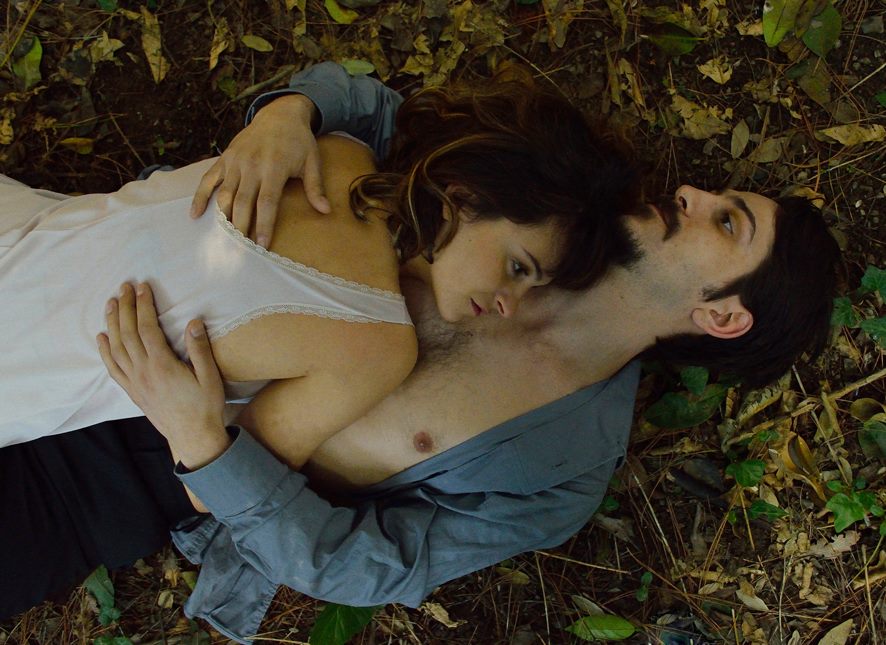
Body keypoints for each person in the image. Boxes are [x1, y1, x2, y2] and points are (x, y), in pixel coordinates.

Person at [0, 63, 840, 645]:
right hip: (132, 295)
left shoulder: (564, 471)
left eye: (726, 221)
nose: (690, 192)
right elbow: (381, 109)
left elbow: (369, 567)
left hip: (118, 484)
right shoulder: (557, 192)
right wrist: (288, 113)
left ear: (722, 316)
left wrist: (204, 448)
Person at [0, 72, 640, 465]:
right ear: (466, 195)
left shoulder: (334, 146)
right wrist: (194, 429)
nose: (510, 305)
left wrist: (288, 108)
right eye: (518, 267)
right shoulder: (376, 349)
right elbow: (211, 489)